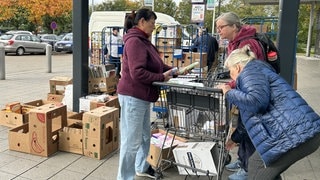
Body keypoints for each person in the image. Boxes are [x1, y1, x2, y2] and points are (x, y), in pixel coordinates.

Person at [219, 45, 320, 180]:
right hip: (299, 132)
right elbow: (250, 116)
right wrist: (234, 138)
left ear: (237, 67)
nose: (231, 76)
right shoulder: (257, 71)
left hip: (293, 133)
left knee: (256, 168)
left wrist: (229, 92)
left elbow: (256, 102)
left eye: (229, 70)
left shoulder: (250, 72)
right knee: (266, 170)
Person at [116, 8, 181, 180]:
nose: (154, 26)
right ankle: (124, 177)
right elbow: (138, 72)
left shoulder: (144, 41)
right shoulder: (135, 42)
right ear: (142, 22)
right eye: (152, 23)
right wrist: (161, 77)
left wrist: (173, 70)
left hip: (142, 96)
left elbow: (156, 64)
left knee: (145, 137)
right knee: (131, 142)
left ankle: (142, 167)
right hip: (133, 96)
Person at [215, 12, 264, 180]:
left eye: (221, 27)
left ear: (234, 26)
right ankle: (242, 160)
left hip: (249, 94)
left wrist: (230, 87)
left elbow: (249, 73)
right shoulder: (235, 42)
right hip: (244, 91)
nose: (218, 30)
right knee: (242, 126)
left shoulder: (248, 43)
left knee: (249, 129)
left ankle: (248, 168)